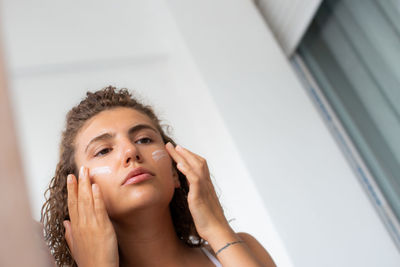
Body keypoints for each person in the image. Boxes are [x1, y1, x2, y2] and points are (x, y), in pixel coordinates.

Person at [41, 86, 276, 267]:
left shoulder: (246, 250)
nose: (131, 152)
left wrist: (218, 229)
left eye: (144, 139)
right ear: (77, 194)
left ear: (175, 171)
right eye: (103, 150)